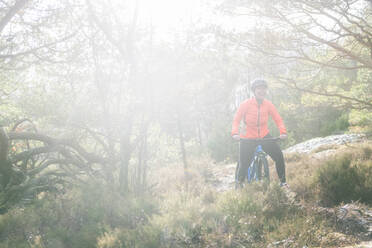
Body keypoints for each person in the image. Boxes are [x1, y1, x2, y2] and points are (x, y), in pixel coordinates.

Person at [231, 79, 288, 186]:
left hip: (264, 136)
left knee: (279, 156)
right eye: (259, 89)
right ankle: (239, 184)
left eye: (264, 88)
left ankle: (283, 183)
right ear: (254, 91)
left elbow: (278, 119)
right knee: (244, 164)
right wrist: (235, 133)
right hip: (248, 138)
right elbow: (236, 120)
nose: (262, 91)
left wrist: (283, 132)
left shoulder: (268, 105)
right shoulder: (246, 104)